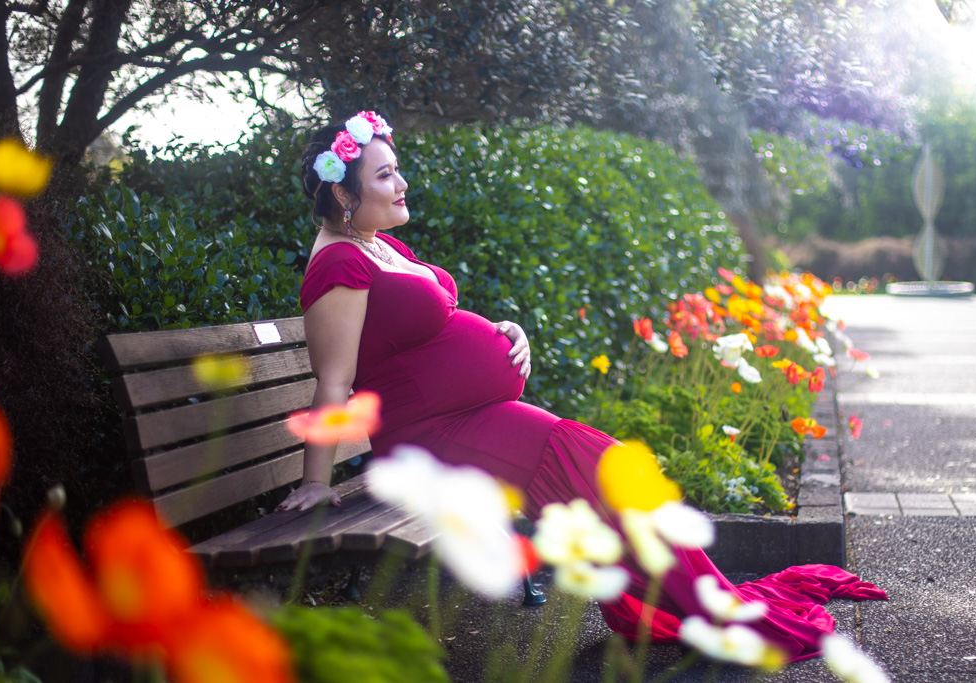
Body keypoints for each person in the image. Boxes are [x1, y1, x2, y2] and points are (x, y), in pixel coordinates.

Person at [275, 111, 886, 662]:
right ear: (342, 190)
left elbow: (421, 332)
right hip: (432, 439)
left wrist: (502, 331)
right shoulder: (338, 264)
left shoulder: (376, 247)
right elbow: (336, 379)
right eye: (384, 175)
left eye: (397, 169)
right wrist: (314, 482)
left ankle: (686, 604)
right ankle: (709, 609)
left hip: (468, 418)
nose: (402, 183)